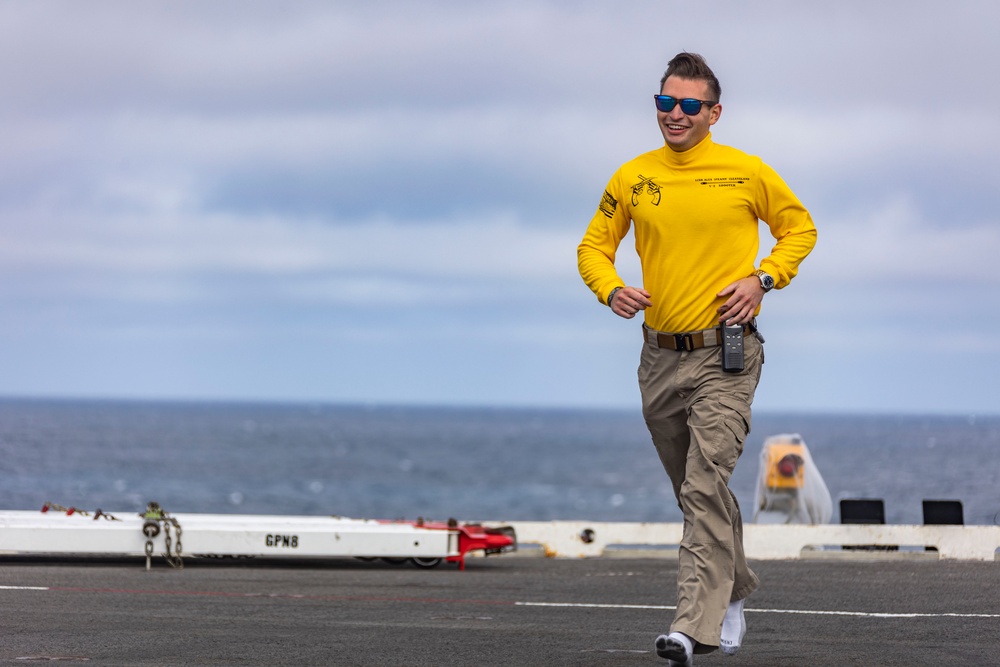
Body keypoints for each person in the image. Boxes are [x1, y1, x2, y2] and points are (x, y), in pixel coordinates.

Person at [577, 52, 816, 665]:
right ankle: (733, 588)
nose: (675, 115)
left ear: (714, 112)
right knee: (695, 491)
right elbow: (592, 248)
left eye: (688, 106)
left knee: (706, 483)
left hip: (726, 356)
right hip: (658, 358)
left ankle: (691, 628)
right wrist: (610, 288)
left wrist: (765, 278)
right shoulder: (633, 177)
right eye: (665, 103)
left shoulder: (745, 171)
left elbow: (800, 228)